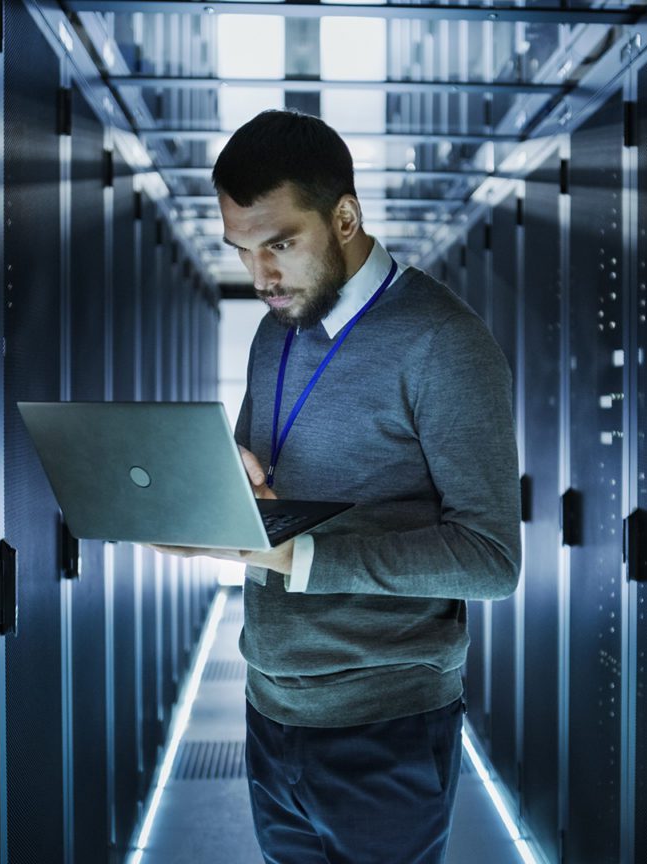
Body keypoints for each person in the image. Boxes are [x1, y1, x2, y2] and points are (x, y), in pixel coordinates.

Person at [149, 108, 521, 864]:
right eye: (243, 252)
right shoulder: (274, 330)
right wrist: (214, 490)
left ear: (345, 216)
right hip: (272, 702)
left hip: (386, 723)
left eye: (281, 245)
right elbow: (266, 475)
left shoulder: (443, 341)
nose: (261, 277)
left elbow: (491, 559)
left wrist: (303, 557)